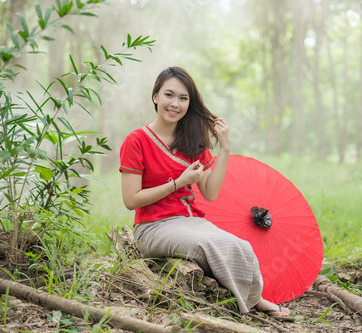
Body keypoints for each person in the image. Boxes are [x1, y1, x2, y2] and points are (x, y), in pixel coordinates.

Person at [119, 66, 290, 319]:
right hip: (152, 227)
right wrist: (178, 182)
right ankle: (253, 305)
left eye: (183, 98)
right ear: (155, 96)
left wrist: (225, 149)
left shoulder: (192, 141)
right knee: (206, 244)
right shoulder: (136, 141)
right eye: (169, 95)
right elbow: (130, 200)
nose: (175, 103)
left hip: (191, 222)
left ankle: (255, 298)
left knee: (240, 245)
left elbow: (210, 192)